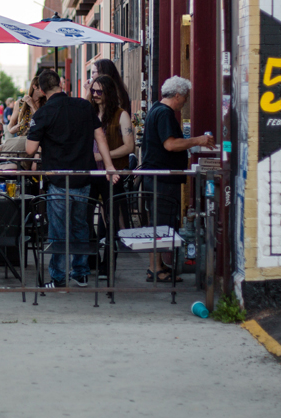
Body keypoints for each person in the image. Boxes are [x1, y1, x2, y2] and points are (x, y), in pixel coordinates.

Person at [25, 69, 118, 289]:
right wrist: (110, 166)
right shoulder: (84, 106)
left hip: (58, 178)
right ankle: (81, 273)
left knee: (58, 230)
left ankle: (58, 278)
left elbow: (30, 149)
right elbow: (100, 137)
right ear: (61, 83)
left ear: (41, 89)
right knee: (80, 225)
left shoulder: (44, 113)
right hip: (83, 177)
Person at [140, 76, 215, 283]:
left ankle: (158, 265)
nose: (185, 102)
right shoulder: (164, 113)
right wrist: (197, 140)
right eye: (185, 97)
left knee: (160, 221)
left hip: (156, 178)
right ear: (177, 95)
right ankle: (155, 269)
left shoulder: (156, 109)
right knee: (160, 222)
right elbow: (170, 145)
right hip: (161, 179)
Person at [88, 75, 135, 278]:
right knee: (85, 218)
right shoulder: (88, 113)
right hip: (90, 172)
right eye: (93, 91)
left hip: (111, 173)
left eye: (100, 91)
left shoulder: (120, 114)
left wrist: (103, 156)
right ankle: (91, 261)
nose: (96, 95)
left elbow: (129, 146)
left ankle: (107, 266)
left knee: (111, 220)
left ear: (108, 92)